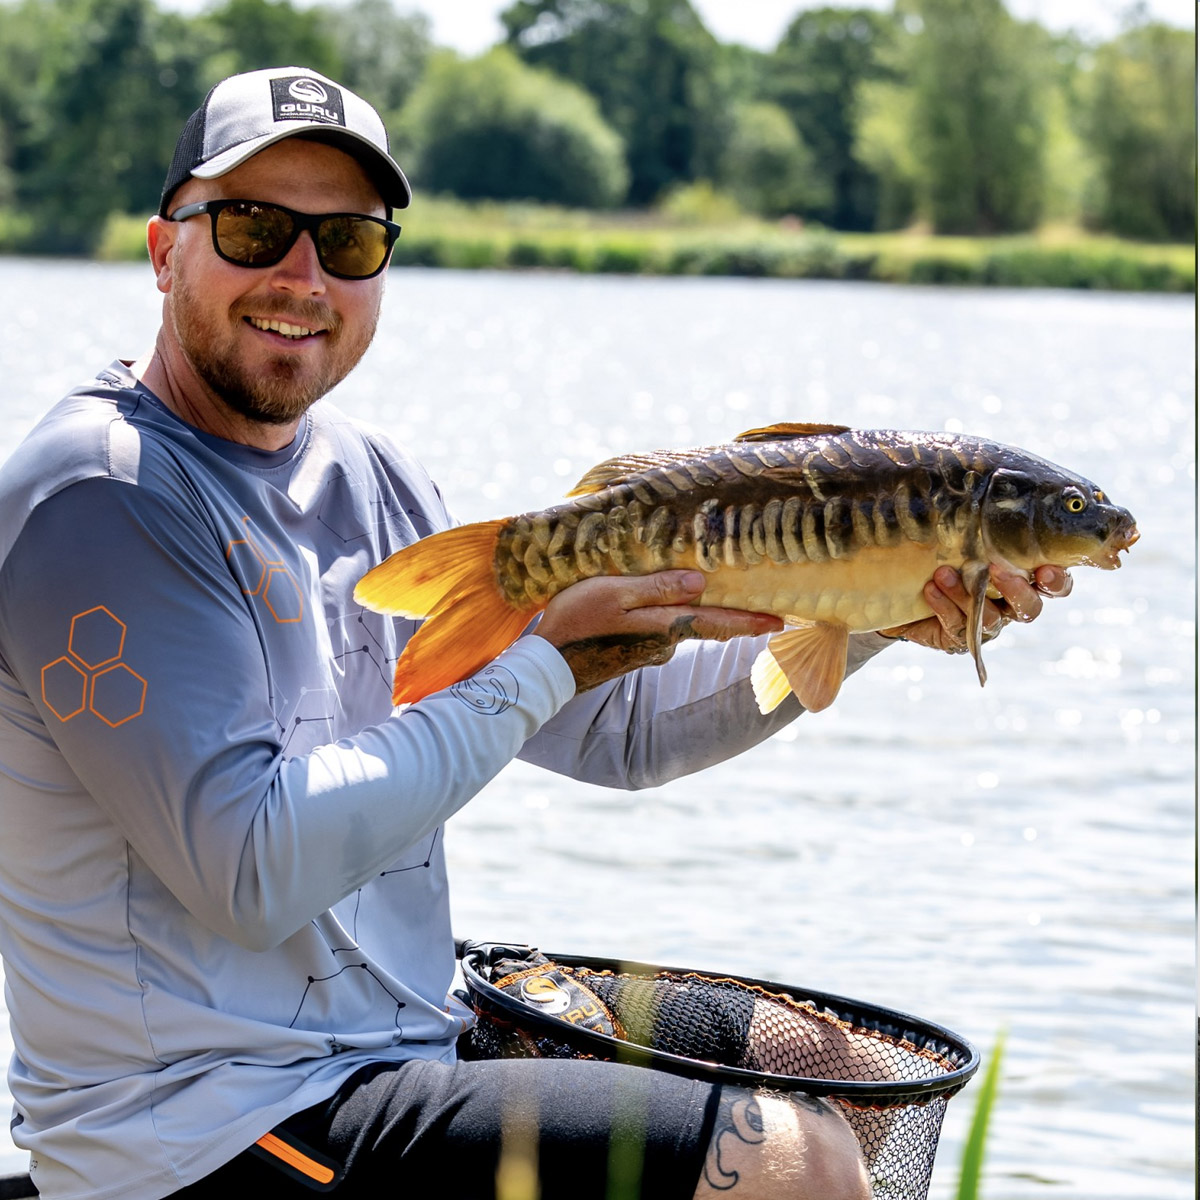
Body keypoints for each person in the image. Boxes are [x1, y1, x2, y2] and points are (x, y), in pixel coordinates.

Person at [0, 67, 1069, 1200]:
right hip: (204, 1131)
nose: (302, 277)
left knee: (833, 1071)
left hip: (399, 1049)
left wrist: (872, 613)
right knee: (790, 1162)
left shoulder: (371, 479)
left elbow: (623, 737)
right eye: (256, 229)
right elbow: (251, 870)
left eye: (350, 242)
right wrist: (539, 667)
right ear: (166, 252)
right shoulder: (98, 496)